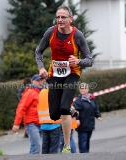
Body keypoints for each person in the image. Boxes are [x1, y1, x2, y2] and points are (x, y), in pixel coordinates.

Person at [35, 5, 93, 153]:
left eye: (63, 17)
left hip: (72, 74)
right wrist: (41, 68)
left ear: (70, 19)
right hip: (54, 75)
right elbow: (38, 51)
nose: (60, 20)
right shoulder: (51, 32)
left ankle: (66, 145)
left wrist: (78, 61)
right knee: (54, 115)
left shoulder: (77, 35)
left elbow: (89, 60)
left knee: (63, 109)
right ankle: (71, 109)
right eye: (58, 17)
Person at [12, 74, 45, 154]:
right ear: (32, 82)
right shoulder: (30, 92)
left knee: (35, 146)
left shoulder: (41, 92)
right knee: (36, 146)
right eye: (37, 80)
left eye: (41, 80)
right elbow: (21, 108)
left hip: (39, 123)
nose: (40, 82)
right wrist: (16, 124)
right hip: (31, 124)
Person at [73, 82, 102, 153]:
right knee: (83, 143)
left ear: (88, 89)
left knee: (87, 142)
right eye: (81, 88)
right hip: (82, 126)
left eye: (85, 88)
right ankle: (83, 156)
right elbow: (74, 111)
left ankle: (87, 155)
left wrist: (98, 116)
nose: (83, 90)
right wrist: (76, 119)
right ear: (79, 90)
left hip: (90, 125)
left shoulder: (91, 99)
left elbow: (95, 108)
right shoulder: (78, 101)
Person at [38, 88, 62, 154]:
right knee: (53, 150)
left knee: (45, 149)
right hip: (54, 125)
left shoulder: (41, 92)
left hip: (44, 125)